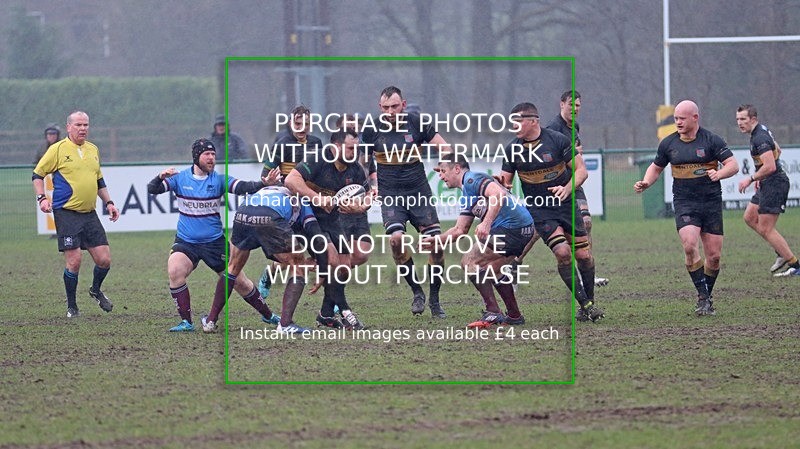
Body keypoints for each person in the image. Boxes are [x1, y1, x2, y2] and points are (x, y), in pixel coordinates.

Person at [146, 138, 282, 332]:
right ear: (196, 157)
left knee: (241, 283)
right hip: (187, 242)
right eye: (207, 154)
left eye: (213, 154)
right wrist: (160, 177)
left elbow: (243, 187)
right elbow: (152, 189)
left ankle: (268, 315)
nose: (211, 158)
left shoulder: (219, 179)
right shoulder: (180, 179)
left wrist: (263, 183)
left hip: (215, 243)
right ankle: (186, 322)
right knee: (175, 271)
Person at [497, 102, 603, 322]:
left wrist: (567, 188)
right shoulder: (511, 149)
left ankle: (588, 303)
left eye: (518, 121)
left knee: (583, 256)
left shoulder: (557, 140)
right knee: (563, 252)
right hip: (539, 209)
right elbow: (505, 182)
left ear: (533, 121)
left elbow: (581, 171)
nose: (513, 126)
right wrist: (501, 184)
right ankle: (586, 305)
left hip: (566, 205)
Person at [635, 100, 739, 315]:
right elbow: (656, 167)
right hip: (685, 203)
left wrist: (719, 173)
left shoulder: (712, 140)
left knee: (714, 257)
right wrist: (646, 182)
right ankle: (703, 297)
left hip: (710, 202)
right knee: (690, 246)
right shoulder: (668, 143)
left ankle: (706, 296)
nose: (678, 122)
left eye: (682, 118)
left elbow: (733, 165)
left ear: (695, 118)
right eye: (676, 118)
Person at [360, 86, 449, 318]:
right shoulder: (371, 129)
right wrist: (367, 186)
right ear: (380, 107)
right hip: (391, 195)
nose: (390, 111)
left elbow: (445, 147)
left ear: (404, 105)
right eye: (386, 107)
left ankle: (435, 300)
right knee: (396, 240)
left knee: (436, 245)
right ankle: (417, 292)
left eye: (395, 106)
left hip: (419, 193)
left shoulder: (417, 123)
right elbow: (363, 163)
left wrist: (446, 164)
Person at [425, 154, 534, 327]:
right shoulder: (466, 194)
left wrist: (486, 223)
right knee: (493, 269)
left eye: (443, 171)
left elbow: (498, 194)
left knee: (469, 262)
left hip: (512, 228)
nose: (440, 175)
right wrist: (436, 240)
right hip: (523, 229)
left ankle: (493, 312)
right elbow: (459, 230)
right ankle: (514, 316)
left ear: (457, 169)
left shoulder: (472, 179)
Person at [204, 185, 328, 334]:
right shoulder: (304, 202)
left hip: (243, 212)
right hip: (269, 216)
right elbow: (317, 238)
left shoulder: (275, 189)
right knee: (298, 265)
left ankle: (210, 320)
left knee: (233, 267)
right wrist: (322, 270)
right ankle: (285, 324)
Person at [32, 111, 119, 318]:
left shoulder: (93, 149)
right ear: (68, 127)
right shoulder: (57, 149)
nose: (83, 128)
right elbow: (37, 175)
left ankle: (95, 290)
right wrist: (42, 198)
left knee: (104, 260)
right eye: (78, 125)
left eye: (85, 125)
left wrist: (109, 202)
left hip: (89, 213)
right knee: (74, 261)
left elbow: (99, 180)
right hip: (66, 213)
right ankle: (72, 307)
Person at [285, 129, 373, 329]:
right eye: (350, 149)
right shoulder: (318, 159)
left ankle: (325, 313)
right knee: (332, 260)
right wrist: (316, 198)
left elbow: (367, 194)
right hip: (307, 218)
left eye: (357, 148)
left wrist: (360, 207)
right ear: (336, 147)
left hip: (332, 219)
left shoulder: (355, 169)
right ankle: (346, 311)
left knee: (344, 268)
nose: (355, 153)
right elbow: (291, 180)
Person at [545, 90, 609, 287]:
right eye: (571, 104)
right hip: (558, 184)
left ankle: (587, 269)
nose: (575, 108)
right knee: (538, 230)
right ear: (562, 104)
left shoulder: (575, 127)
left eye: (578, 105)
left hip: (574, 182)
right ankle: (515, 263)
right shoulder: (553, 128)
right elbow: (549, 157)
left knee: (586, 223)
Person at [735, 104, 799, 277]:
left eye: (743, 119)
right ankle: (781, 251)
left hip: (775, 183)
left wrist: (751, 178)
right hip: (767, 181)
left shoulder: (760, 137)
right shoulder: (760, 131)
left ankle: (795, 265)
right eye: (738, 119)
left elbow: (770, 166)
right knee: (750, 217)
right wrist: (760, 176)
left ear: (753, 119)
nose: (740, 123)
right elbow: (778, 150)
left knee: (766, 228)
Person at [261, 105, 323, 181]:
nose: (302, 128)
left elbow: (322, 171)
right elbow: (265, 175)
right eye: (298, 124)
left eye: (306, 124)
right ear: (291, 124)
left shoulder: (316, 143)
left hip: (310, 187)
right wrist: (275, 183)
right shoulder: (281, 145)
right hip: (288, 187)